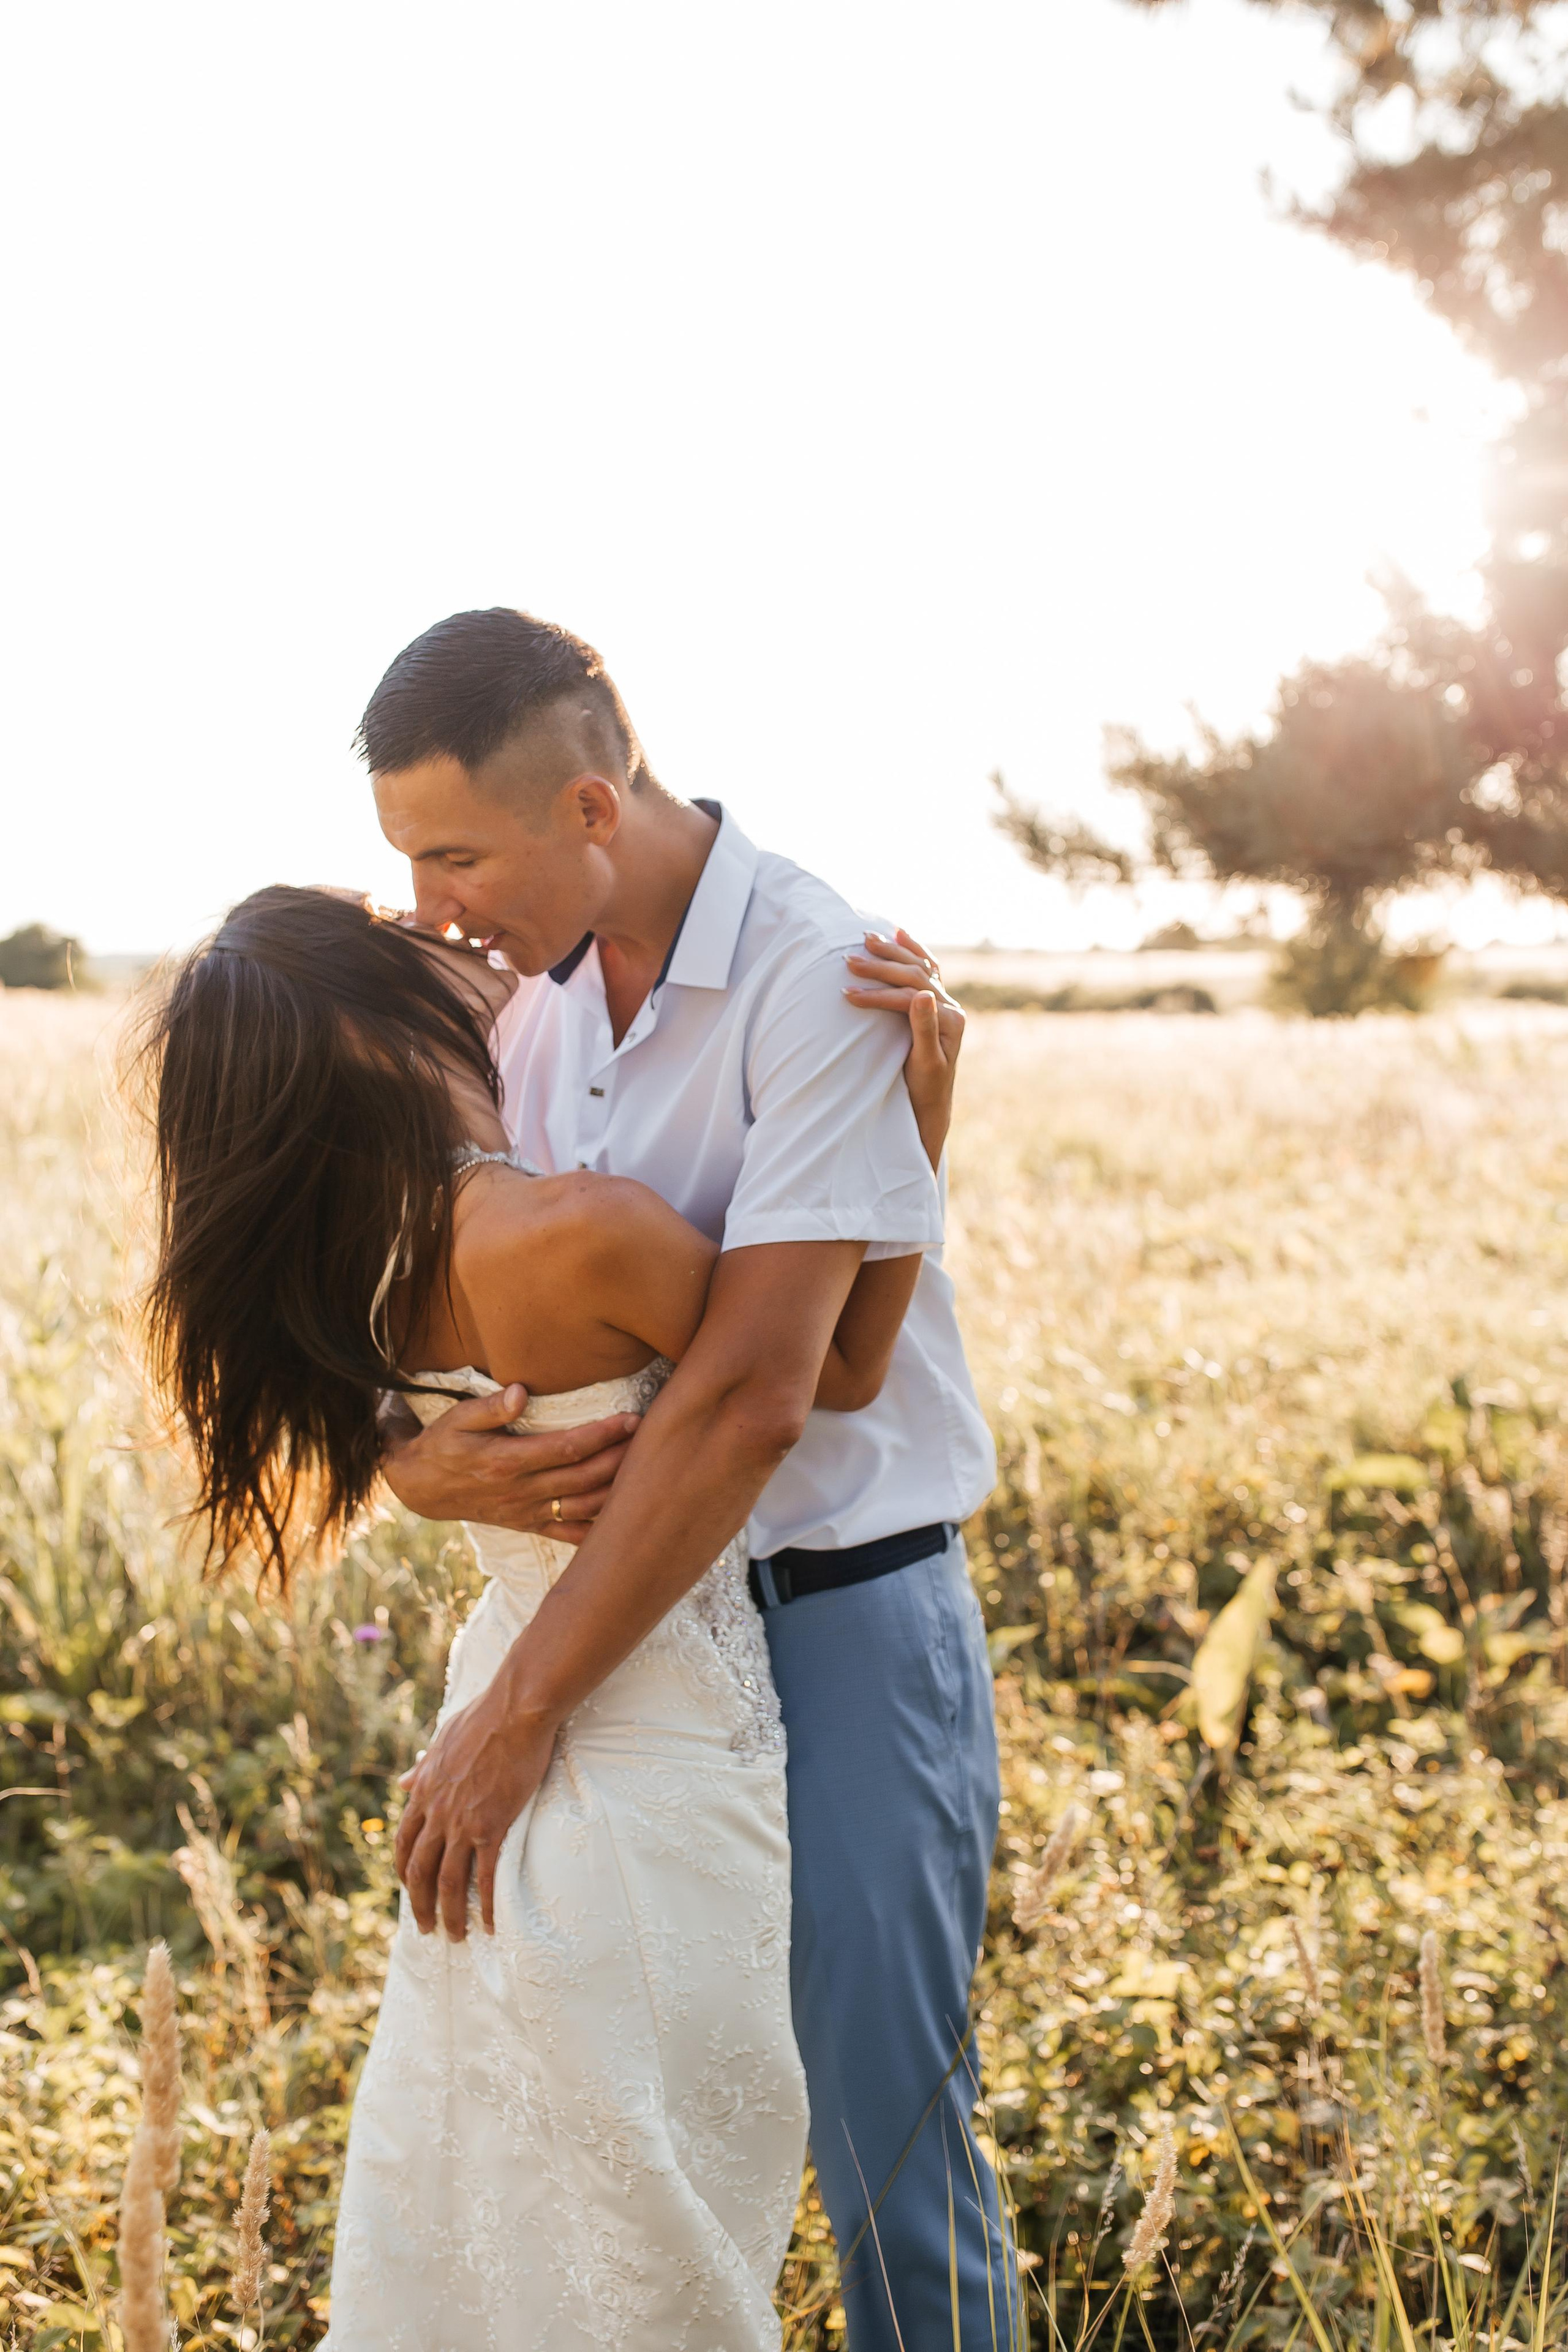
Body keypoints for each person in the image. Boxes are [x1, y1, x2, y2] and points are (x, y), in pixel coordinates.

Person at [138, 881, 956, 2346]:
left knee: (502, 2174)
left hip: (495, 1716)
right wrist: (906, 1138)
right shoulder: (575, 1228)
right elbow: (825, 1373)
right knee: (650, 2210)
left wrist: (400, 1462)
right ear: (371, 1039)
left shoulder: (353, 1267)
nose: (443, 933)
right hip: (649, 1738)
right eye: (404, 945)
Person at [368, 609, 1016, 2347]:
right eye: (406, 859)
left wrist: (513, 1714)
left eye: (454, 853)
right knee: (608, 2130)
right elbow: (387, 1275)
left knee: (889, 2142)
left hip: (841, 1614)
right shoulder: (505, 1004)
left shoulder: (824, 977)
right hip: (638, 1653)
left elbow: (756, 1399)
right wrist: (404, 1461)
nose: (431, 903)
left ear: (590, 807)